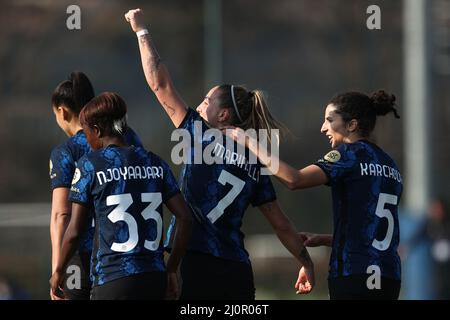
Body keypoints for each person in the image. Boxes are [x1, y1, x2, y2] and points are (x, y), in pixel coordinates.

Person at [124, 8, 315, 299]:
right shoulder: (256, 161)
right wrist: (305, 261)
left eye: (205, 101)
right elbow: (280, 223)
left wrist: (141, 30)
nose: (199, 107)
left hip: (194, 261)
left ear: (223, 114)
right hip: (236, 269)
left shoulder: (198, 134)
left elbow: (159, 84)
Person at [227, 90, 403, 299]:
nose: (323, 128)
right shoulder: (390, 164)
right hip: (389, 275)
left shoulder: (350, 154)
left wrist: (251, 144)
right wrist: (324, 239)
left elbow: (294, 179)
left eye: (330, 120)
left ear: (352, 125)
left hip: (355, 272)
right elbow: (373, 232)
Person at [50, 92, 192, 300]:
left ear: (96, 131)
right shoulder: (155, 162)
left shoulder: (90, 165)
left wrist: (59, 270)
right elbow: (185, 218)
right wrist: (171, 268)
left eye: (87, 132)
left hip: (113, 278)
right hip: (154, 278)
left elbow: (75, 230)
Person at [49, 72, 143, 300]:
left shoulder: (66, 151)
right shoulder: (128, 138)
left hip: (80, 257)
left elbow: (62, 214)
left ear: (62, 112)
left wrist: (56, 269)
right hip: (126, 256)